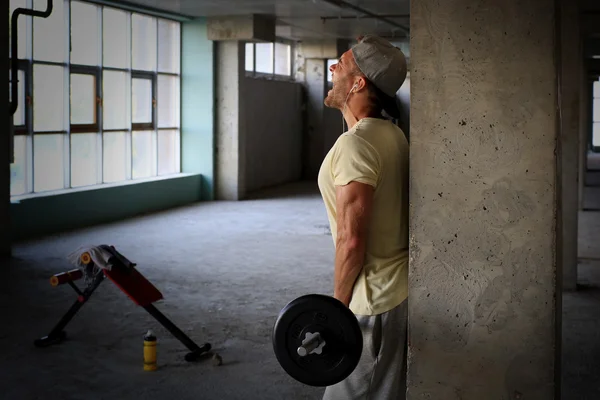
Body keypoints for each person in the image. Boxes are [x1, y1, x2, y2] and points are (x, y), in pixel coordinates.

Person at [317, 34, 409, 400]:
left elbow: (351, 240)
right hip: (396, 294)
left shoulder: (356, 144)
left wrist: (335, 311)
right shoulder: (393, 135)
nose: (332, 68)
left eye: (342, 63)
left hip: (372, 302)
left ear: (358, 83)